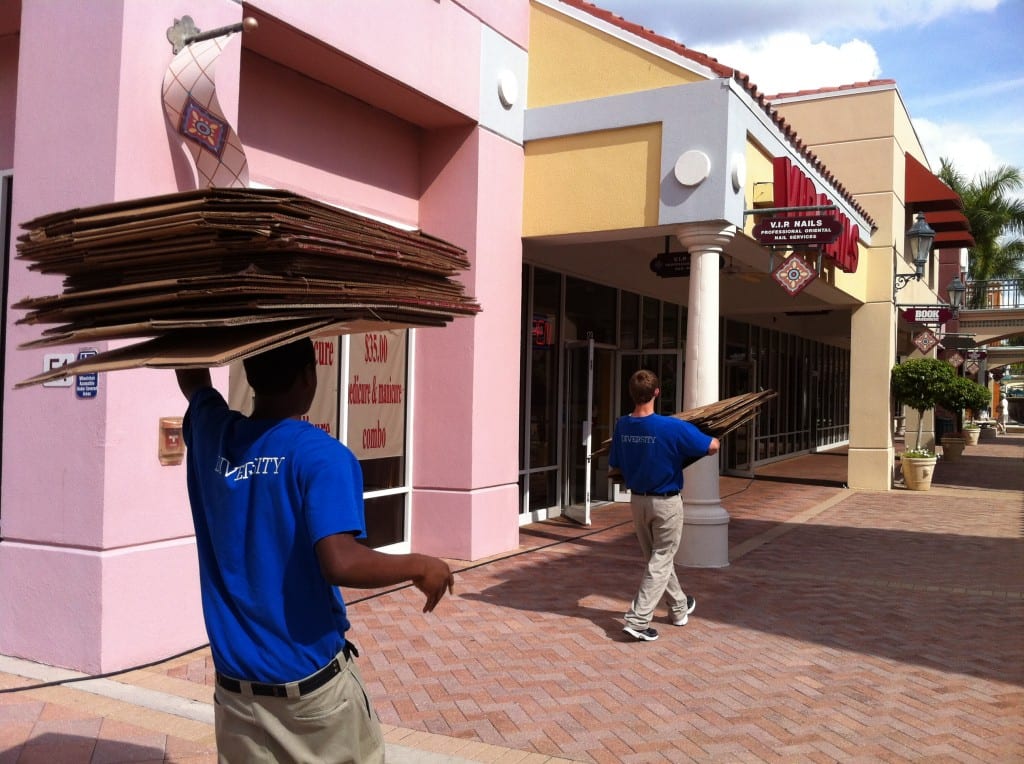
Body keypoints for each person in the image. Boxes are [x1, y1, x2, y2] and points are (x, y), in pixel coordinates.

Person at [175, 338, 454, 763]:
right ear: (311, 374)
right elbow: (340, 560)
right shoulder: (322, 456)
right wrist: (420, 565)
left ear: (249, 374)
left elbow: (194, 381)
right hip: (310, 700)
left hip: (236, 694)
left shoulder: (214, 435)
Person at [609, 369, 720, 642]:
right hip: (666, 503)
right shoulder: (672, 426)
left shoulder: (622, 426)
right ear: (657, 393)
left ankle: (679, 607)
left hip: (638, 502)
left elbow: (616, 463)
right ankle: (637, 620)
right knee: (660, 560)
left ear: (632, 394)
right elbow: (712, 446)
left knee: (657, 559)